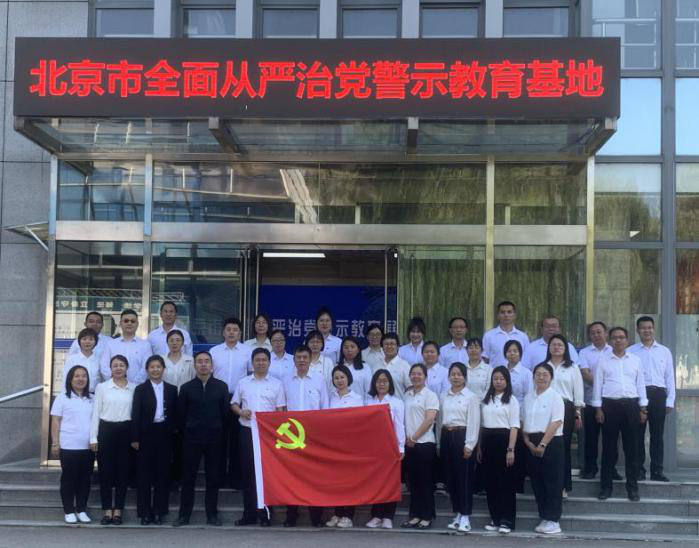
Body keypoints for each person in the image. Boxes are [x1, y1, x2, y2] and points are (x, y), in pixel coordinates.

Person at [174, 351, 230, 527]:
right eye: (200, 361)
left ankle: (212, 514)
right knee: (188, 479)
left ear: (212, 365)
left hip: (214, 439)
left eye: (206, 361)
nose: (203, 364)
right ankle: (184, 515)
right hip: (192, 439)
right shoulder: (186, 388)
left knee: (213, 478)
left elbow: (225, 414)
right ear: (195, 365)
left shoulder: (221, 387)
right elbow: (181, 415)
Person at [231, 348, 286, 527]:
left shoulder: (277, 384)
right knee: (248, 473)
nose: (261, 363)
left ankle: (265, 514)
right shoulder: (243, 382)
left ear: (269, 363)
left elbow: (280, 410)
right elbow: (234, 404)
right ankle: (249, 515)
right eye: (257, 360)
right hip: (247, 431)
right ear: (252, 362)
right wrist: (241, 411)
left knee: (266, 474)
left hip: (267, 435)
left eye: (264, 360)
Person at [592, 327, 648, 502]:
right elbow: (597, 386)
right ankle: (605, 487)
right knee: (609, 449)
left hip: (631, 406)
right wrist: (598, 409)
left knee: (632, 449)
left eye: (622, 337)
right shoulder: (603, 361)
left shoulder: (636, 360)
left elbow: (641, 385)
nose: (618, 340)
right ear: (610, 340)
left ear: (627, 340)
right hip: (609, 406)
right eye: (615, 337)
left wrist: (643, 408)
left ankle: (632, 488)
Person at [283, 345, 329, 528]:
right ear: (293, 359)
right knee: (291, 476)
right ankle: (291, 516)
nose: (301, 360)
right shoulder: (285, 380)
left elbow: (324, 407)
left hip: (313, 435)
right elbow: (281, 408)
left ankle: (316, 516)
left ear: (310, 359)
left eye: (305, 357)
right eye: (298, 357)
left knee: (314, 476)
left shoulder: (319, 380)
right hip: (291, 435)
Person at [131, 355, 178, 525]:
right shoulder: (140, 389)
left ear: (163, 369)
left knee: (162, 474)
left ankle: (159, 511)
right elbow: (135, 414)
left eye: (158, 366)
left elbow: (176, 413)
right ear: (147, 370)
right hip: (145, 435)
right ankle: (145, 513)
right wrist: (135, 437)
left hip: (164, 434)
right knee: (144, 475)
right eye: (152, 367)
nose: (155, 370)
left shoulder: (172, 389)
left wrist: (174, 433)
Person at [90, 355, 136, 525]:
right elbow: (96, 412)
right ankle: (107, 510)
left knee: (123, 472)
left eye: (121, 365)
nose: (118, 368)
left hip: (126, 431)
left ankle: (118, 511)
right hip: (106, 430)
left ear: (127, 368)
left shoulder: (134, 388)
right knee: (106, 472)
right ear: (110, 369)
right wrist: (93, 437)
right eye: (115, 365)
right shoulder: (102, 387)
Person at [628, 316, 675, 482]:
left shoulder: (664, 351)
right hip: (638, 395)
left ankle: (657, 471)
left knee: (657, 436)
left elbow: (670, 377)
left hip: (659, 395)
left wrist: (670, 400)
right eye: (643, 328)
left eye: (649, 327)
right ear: (637, 330)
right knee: (637, 435)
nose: (646, 331)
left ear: (654, 329)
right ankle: (638, 471)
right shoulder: (631, 351)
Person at [522, 363, 565, 535]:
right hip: (531, 441)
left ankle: (554, 520)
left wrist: (542, 444)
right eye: (538, 374)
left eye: (545, 374)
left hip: (551, 441)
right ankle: (544, 516)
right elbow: (523, 421)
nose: (541, 377)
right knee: (537, 481)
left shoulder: (555, 396)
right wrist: (527, 442)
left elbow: (556, 422)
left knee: (552, 481)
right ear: (533, 377)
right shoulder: (528, 397)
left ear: (551, 378)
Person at [210, 318, 252, 490]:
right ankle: (218, 477)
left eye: (235, 329)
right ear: (223, 332)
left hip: (239, 399)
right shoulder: (214, 351)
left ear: (240, 333)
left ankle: (236, 478)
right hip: (217, 399)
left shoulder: (247, 351)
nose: (231, 332)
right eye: (228, 329)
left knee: (237, 440)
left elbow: (251, 374)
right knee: (218, 439)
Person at [50, 365, 94, 524]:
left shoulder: (92, 398)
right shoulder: (62, 398)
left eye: (84, 376)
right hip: (68, 445)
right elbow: (55, 420)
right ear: (70, 379)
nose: (81, 379)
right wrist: (55, 443)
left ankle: (81, 510)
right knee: (69, 479)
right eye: (77, 376)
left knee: (85, 479)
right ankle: (68, 510)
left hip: (88, 447)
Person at [479, 366, 520, 534]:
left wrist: (511, 449)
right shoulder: (486, 398)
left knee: (506, 483)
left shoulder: (512, 400)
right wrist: (480, 446)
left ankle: (507, 520)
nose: (498, 381)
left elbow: (514, 426)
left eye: (502, 379)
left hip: (504, 441)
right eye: (495, 378)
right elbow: (482, 425)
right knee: (491, 483)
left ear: (507, 381)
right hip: (487, 441)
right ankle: (495, 518)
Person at [440, 362, 480, 533]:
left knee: (464, 478)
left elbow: (474, 422)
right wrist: (439, 443)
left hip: (462, 437)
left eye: (459, 374)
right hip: (446, 436)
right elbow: (439, 420)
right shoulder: (444, 395)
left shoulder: (471, 397)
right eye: (453, 374)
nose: (455, 377)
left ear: (464, 377)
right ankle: (457, 513)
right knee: (452, 478)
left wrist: (469, 445)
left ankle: (465, 516)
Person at [543, 334, 584, 496]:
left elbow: (578, 391)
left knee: (562, 447)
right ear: (549, 347)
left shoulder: (572, 367)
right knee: (546, 445)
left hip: (566, 409)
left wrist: (577, 412)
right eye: (553, 344)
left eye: (560, 345)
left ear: (565, 348)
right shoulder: (543, 366)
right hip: (545, 409)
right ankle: (547, 483)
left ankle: (563, 486)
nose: (557, 347)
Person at [366, 369, 405, 530]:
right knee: (376, 482)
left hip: (391, 447)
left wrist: (400, 447)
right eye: (378, 381)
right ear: (374, 384)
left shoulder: (397, 403)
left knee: (390, 483)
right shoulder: (368, 403)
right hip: (373, 448)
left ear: (390, 384)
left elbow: (399, 426)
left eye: (385, 381)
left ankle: (388, 516)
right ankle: (376, 516)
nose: (381, 384)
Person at [326, 364, 364, 528]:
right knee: (336, 481)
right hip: (333, 445)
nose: (339, 380)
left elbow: (360, 421)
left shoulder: (357, 398)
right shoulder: (330, 397)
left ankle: (348, 515)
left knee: (349, 481)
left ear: (348, 378)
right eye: (336, 378)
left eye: (342, 377)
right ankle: (338, 513)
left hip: (350, 444)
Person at [402, 363, 440, 530]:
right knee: (414, 482)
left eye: (419, 374)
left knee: (425, 482)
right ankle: (415, 515)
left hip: (424, 444)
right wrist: (408, 439)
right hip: (409, 444)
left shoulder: (430, 395)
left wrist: (414, 437)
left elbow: (429, 419)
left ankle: (427, 516)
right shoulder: (407, 394)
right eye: (413, 374)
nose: (416, 376)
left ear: (425, 376)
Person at [578, 321, 614, 479]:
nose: (596, 335)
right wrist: (606, 385)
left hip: (611, 401)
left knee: (610, 437)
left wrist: (606, 387)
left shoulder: (613, 351)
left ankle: (611, 469)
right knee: (591, 437)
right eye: (593, 333)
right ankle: (590, 468)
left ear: (606, 333)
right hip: (591, 400)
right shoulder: (584, 353)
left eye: (599, 332)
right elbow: (585, 374)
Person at [160, 329, 193, 489]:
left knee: (182, 444)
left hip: (186, 405)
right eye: (171, 340)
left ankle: (179, 477)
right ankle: (166, 477)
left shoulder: (190, 361)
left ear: (183, 343)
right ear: (167, 343)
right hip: (166, 405)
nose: (174, 343)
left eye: (178, 340)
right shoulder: (161, 360)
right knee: (166, 444)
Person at [100, 309, 151, 385]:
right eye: (126, 321)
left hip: (137, 387)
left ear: (137, 324)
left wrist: (133, 385)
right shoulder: (111, 344)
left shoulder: (145, 345)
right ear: (121, 323)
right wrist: (115, 382)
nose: (129, 323)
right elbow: (104, 366)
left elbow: (146, 367)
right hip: (114, 387)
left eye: (132, 321)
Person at [482, 301, 530, 367]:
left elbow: (526, 359)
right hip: (495, 373)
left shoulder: (523, 337)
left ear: (514, 315)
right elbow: (485, 359)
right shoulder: (489, 336)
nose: (506, 315)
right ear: (498, 315)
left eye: (509, 312)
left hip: (517, 373)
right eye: (502, 312)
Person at [63, 327, 101, 393]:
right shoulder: (72, 359)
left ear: (95, 342)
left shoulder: (99, 360)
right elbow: (65, 378)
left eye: (91, 339)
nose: (87, 342)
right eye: (84, 339)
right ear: (79, 341)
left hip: (95, 395)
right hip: (76, 394)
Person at [338, 336, 373, 402]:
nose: (349, 350)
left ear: (358, 350)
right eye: (346, 347)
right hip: (341, 405)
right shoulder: (337, 367)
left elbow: (369, 391)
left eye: (352, 347)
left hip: (359, 405)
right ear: (342, 350)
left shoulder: (365, 367)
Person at [379, 333, 411, 399]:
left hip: (399, 404)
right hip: (379, 404)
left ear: (398, 346)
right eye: (386, 344)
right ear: (382, 347)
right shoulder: (376, 365)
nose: (389, 346)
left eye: (392, 344)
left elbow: (410, 387)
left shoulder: (404, 365)